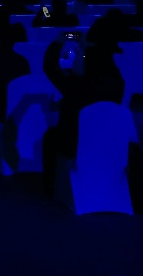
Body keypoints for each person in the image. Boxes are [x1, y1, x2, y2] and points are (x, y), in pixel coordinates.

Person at [41, 35, 125, 193]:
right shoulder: (117, 83)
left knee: (51, 136)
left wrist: (59, 40)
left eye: (80, 56)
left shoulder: (75, 86)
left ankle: (50, 187)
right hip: (106, 141)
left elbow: (50, 66)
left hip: (76, 144)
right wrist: (89, 49)